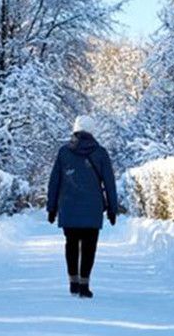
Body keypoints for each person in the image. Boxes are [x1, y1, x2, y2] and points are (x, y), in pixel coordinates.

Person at [47, 115, 117, 299]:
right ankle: (85, 284)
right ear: (92, 131)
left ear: (75, 130)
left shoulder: (64, 152)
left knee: (71, 244)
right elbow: (109, 182)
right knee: (89, 246)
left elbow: (54, 181)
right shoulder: (100, 153)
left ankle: (73, 282)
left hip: (69, 206)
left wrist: (51, 207)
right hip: (92, 209)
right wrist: (112, 209)